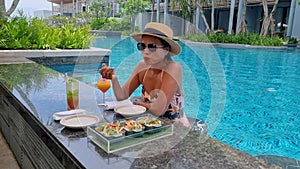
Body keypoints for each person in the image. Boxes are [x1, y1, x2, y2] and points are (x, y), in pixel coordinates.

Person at [100, 22, 190, 127]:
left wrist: (139, 104)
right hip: (149, 125)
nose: (145, 51)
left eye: (152, 47)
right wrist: (113, 78)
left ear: (166, 50)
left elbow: (158, 110)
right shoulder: (142, 67)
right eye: (142, 46)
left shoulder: (173, 68)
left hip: (175, 128)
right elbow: (121, 96)